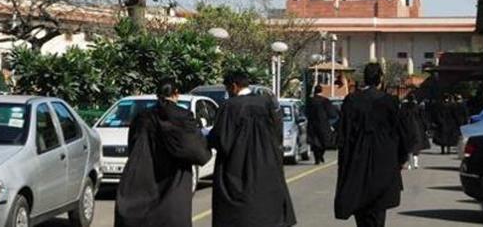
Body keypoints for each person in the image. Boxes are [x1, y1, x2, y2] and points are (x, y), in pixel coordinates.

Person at [114, 79, 211, 227]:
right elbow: (198, 152)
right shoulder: (182, 117)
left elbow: (133, 147)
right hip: (174, 184)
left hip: (143, 181)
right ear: (176, 94)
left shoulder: (142, 117)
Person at [208, 71, 296, 227]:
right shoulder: (266, 103)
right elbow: (277, 133)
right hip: (268, 165)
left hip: (237, 168)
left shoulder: (230, 107)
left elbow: (221, 140)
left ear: (233, 86)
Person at [335, 63, 409, 227]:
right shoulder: (389, 101)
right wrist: (401, 157)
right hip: (383, 159)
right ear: (380, 79)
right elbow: (400, 132)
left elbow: (343, 133)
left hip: (357, 159)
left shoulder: (352, 100)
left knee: (360, 206)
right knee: (378, 210)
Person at [306, 85, 335, 164]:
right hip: (323, 124)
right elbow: (331, 113)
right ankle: (320, 155)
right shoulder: (325, 101)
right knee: (324, 141)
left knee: (315, 142)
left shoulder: (310, 101)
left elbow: (306, 112)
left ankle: (317, 158)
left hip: (312, 124)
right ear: (321, 91)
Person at [401, 94, 430, 169]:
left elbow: (400, 118)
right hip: (417, 127)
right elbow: (423, 118)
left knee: (408, 146)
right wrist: (426, 127)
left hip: (406, 127)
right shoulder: (418, 107)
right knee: (416, 146)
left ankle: (409, 164)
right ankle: (416, 163)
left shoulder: (404, 107)